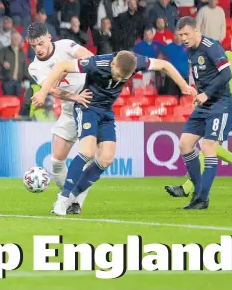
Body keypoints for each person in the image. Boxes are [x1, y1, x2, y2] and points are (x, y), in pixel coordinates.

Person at [32, 51, 193, 215]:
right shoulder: (97, 63)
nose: (118, 80)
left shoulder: (136, 62)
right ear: (113, 64)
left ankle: (73, 197)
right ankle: (63, 198)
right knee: (87, 151)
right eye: (117, 75)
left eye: (123, 78)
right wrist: (43, 92)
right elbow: (61, 66)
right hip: (88, 107)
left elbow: (164, 65)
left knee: (106, 159)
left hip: (106, 112)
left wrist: (183, 86)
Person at [166, 21, 232, 206]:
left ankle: (202, 197)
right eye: (181, 35)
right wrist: (197, 93)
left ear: (196, 31)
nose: (183, 39)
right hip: (204, 106)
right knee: (185, 144)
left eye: (186, 34)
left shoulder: (211, 46)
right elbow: (203, 77)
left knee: (209, 146)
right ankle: (197, 190)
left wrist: (206, 94)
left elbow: (226, 75)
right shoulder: (191, 50)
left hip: (221, 105)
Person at [26, 22, 95, 214]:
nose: (37, 49)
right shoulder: (34, 67)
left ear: (49, 37)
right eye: (33, 46)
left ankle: (73, 202)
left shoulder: (65, 45)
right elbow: (53, 90)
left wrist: (65, 68)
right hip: (68, 107)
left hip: (89, 100)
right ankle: (72, 198)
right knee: (56, 162)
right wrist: (74, 97)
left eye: (40, 43)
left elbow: (90, 58)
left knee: (90, 155)